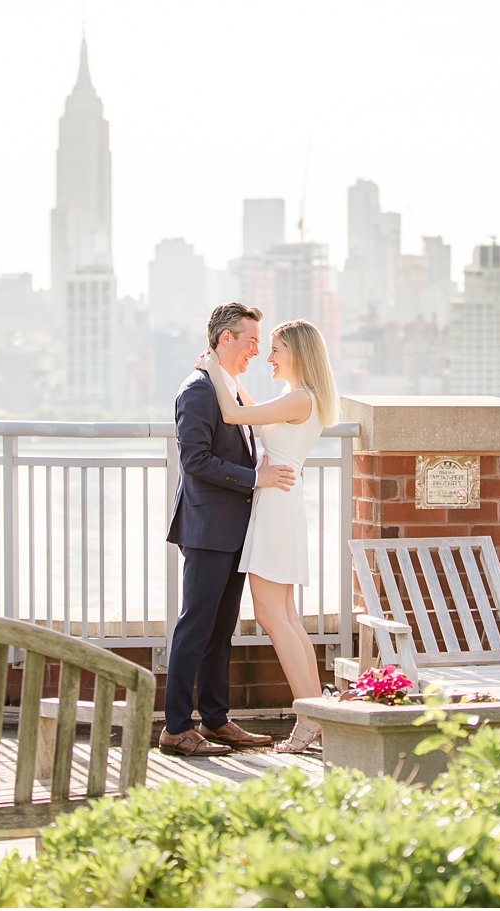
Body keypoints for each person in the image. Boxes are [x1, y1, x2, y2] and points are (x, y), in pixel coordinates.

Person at [161, 302, 298, 757]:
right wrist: (255, 478)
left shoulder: (228, 386)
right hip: (206, 529)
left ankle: (217, 720)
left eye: (262, 343)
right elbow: (195, 461)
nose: (257, 351)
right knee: (195, 626)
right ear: (225, 340)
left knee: (221, 630)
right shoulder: (198, 390)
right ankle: (177, 727)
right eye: (251, 341)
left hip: (233, 529)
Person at [200, 318, 338, 753]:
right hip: (280, 502)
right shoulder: (299, 399)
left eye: (275, 349)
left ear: (296, 352)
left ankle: (309, 719)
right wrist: (229, 380)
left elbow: (233, 414)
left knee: (274, 617)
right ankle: (317, 716)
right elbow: (253, 408)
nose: (269, 357)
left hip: (277, 505)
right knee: (287, 618)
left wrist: (211, 371)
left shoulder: (299, 398)